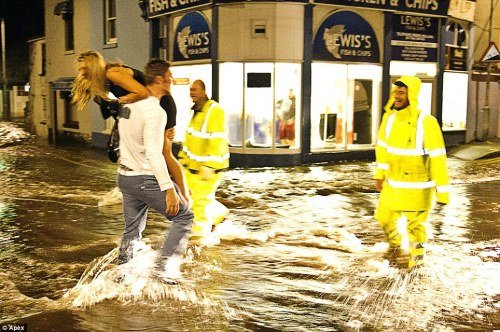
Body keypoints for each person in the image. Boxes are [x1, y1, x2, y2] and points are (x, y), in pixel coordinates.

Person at [71, 51, 190, 203]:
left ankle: (185, 197)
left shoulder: (112, 73)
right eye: (80, 69)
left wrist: (119, 101)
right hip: (147, 108)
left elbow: (143, 92)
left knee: (165, 154)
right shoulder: (102, 79)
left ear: (93, 67)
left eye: (84, 69)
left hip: (161, 104)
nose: (81, 72)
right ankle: (169, 190)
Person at [117, 58, 193, 280]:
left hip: (125, 177)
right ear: (159, 79)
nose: (172, 81)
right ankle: (163, 270)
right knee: (184, 217)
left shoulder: (128, 104)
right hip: (144, 177)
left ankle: (123, 276)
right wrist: (169, 188)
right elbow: (153, 153)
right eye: (169, 77)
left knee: (132, 232)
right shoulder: (155, 111)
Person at [373, 76, 450, 269]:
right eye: (395, 92)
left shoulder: (427, 122)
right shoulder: (389, 120)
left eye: (401, 93)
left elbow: (438, 157)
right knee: (383, 218)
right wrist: (379, 174)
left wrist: (443, 192)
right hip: (392, 186)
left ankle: (417, 261)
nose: (396, 97)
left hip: (418, 189)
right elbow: (382, 150)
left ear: (411, 95)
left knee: (416, 229)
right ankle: (395, 247)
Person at [177, 80, 230, 239]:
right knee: (191, 199)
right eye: (190, 90)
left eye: (195, 89)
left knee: (200, 203)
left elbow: (218, 139)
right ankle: (219, 215)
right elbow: (190, 139)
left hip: (209, 168)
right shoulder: (196, 110)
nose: (192, 92)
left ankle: (199, 239)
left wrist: (209, 165)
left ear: (204, 91)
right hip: (193, 167)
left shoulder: (215, 110)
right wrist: (181, 162)